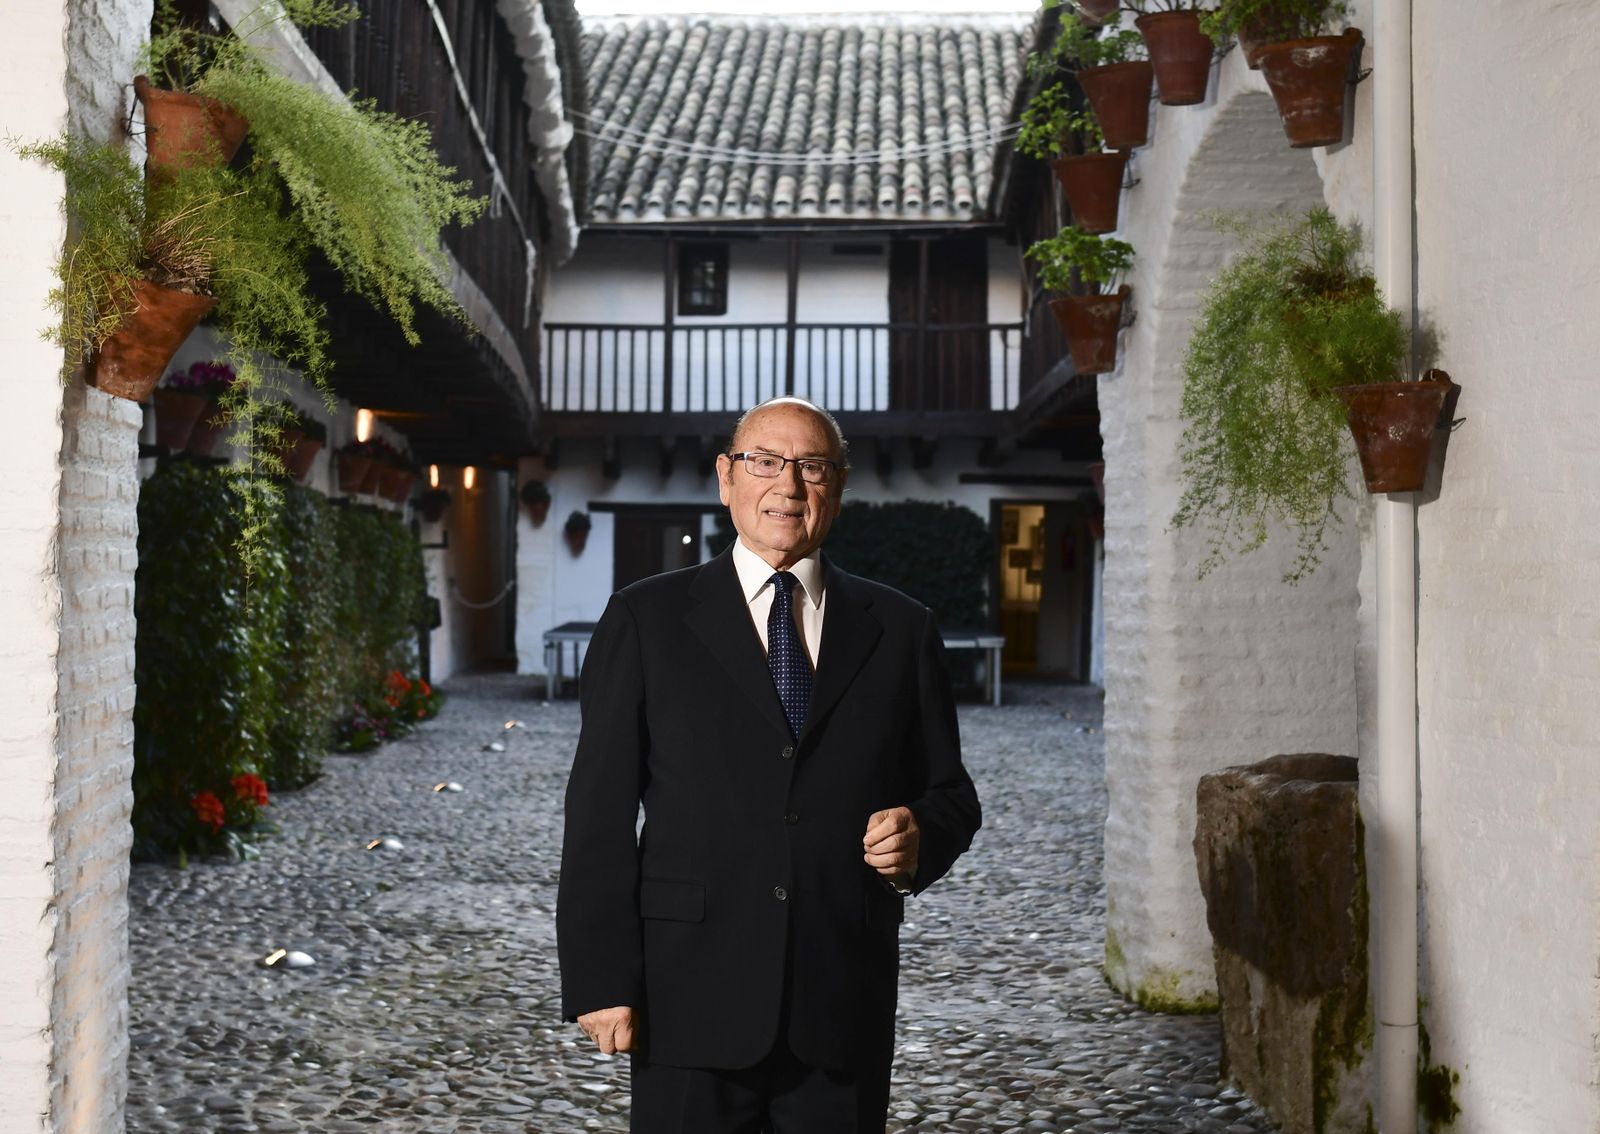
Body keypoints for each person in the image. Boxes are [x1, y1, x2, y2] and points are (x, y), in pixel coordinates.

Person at [557, 396, 981, 1133]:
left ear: (838, 488)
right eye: (764, 462)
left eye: (812, 467)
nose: (787, 485)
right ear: (727, 479)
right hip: (685, 994)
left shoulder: (903, 630)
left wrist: (921, 836)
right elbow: (597, 811)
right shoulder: (644, 619)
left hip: (841, 996)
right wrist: (600, 978)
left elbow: (951, 793)